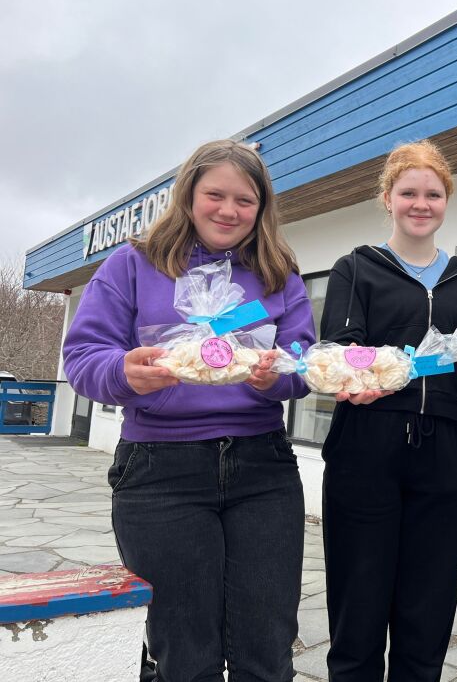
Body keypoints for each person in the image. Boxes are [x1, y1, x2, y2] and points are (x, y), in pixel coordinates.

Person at [62, 139, 315, 681]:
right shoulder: (133, 264)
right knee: (184, 653)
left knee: (267, 649)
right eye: (215, 195)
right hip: (160, 472)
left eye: (245, 200)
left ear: (262, 208)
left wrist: (279, 375)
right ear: (188, 196)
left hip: (262, 471)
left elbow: (303, 363)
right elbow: (83, 356)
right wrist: (122, 373)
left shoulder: (278, 274)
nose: (228, 211)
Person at [319, 140, 457, 681]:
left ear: (447, 201)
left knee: (428, 610)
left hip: (446, 457)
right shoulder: (356, 268)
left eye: (433, 194)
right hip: (366, 448)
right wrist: (365, 375)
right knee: (359, 607)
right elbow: (340, 349)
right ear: (387, 198)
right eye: (408, 192)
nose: (421, 204)